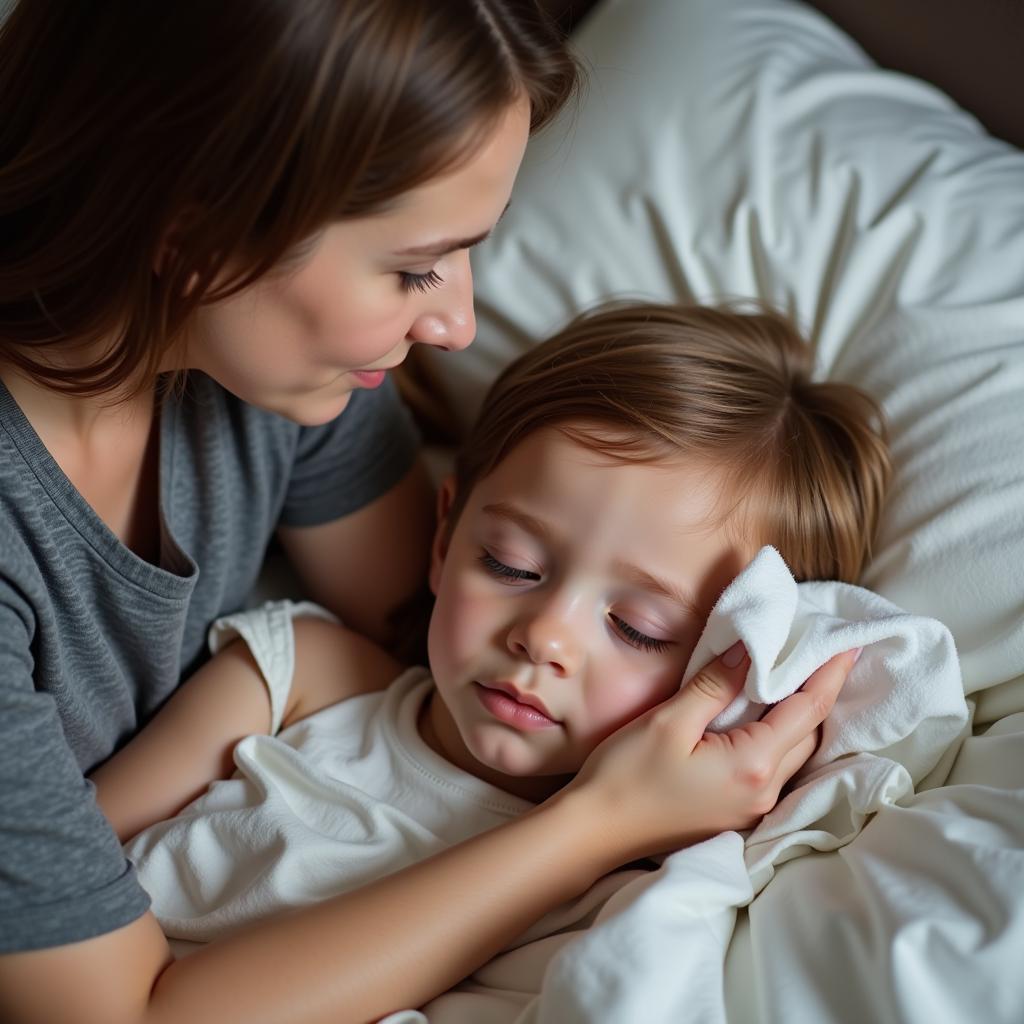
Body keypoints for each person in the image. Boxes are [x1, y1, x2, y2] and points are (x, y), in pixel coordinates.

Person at [0, 3, 852, 1022]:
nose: (456, 323)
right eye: (414, 267)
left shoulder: (273, 379)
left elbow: (430, 616)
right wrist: (597, 823)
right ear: (197, 239)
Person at [95, 303, 882, 986]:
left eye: (639, 627)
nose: (544, 636)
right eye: (512, 563)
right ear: (445, 535)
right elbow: (49, 875)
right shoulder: (301, 673)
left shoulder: (647, 875)